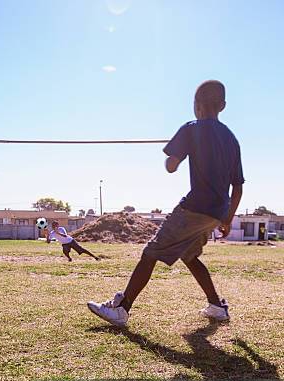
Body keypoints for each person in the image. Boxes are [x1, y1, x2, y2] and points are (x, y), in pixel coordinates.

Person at [88, 80, 244, 326]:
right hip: (216, 212)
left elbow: (171, 166)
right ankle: (217, 306)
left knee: (150, 253)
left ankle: (122, 308)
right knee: (190, 255)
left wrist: (175, 155)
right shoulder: (232, 139)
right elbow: (238, 187)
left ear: (196, 105)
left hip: (194, 208)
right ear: (222, 106)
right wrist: (227, 218)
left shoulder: (191, 128)